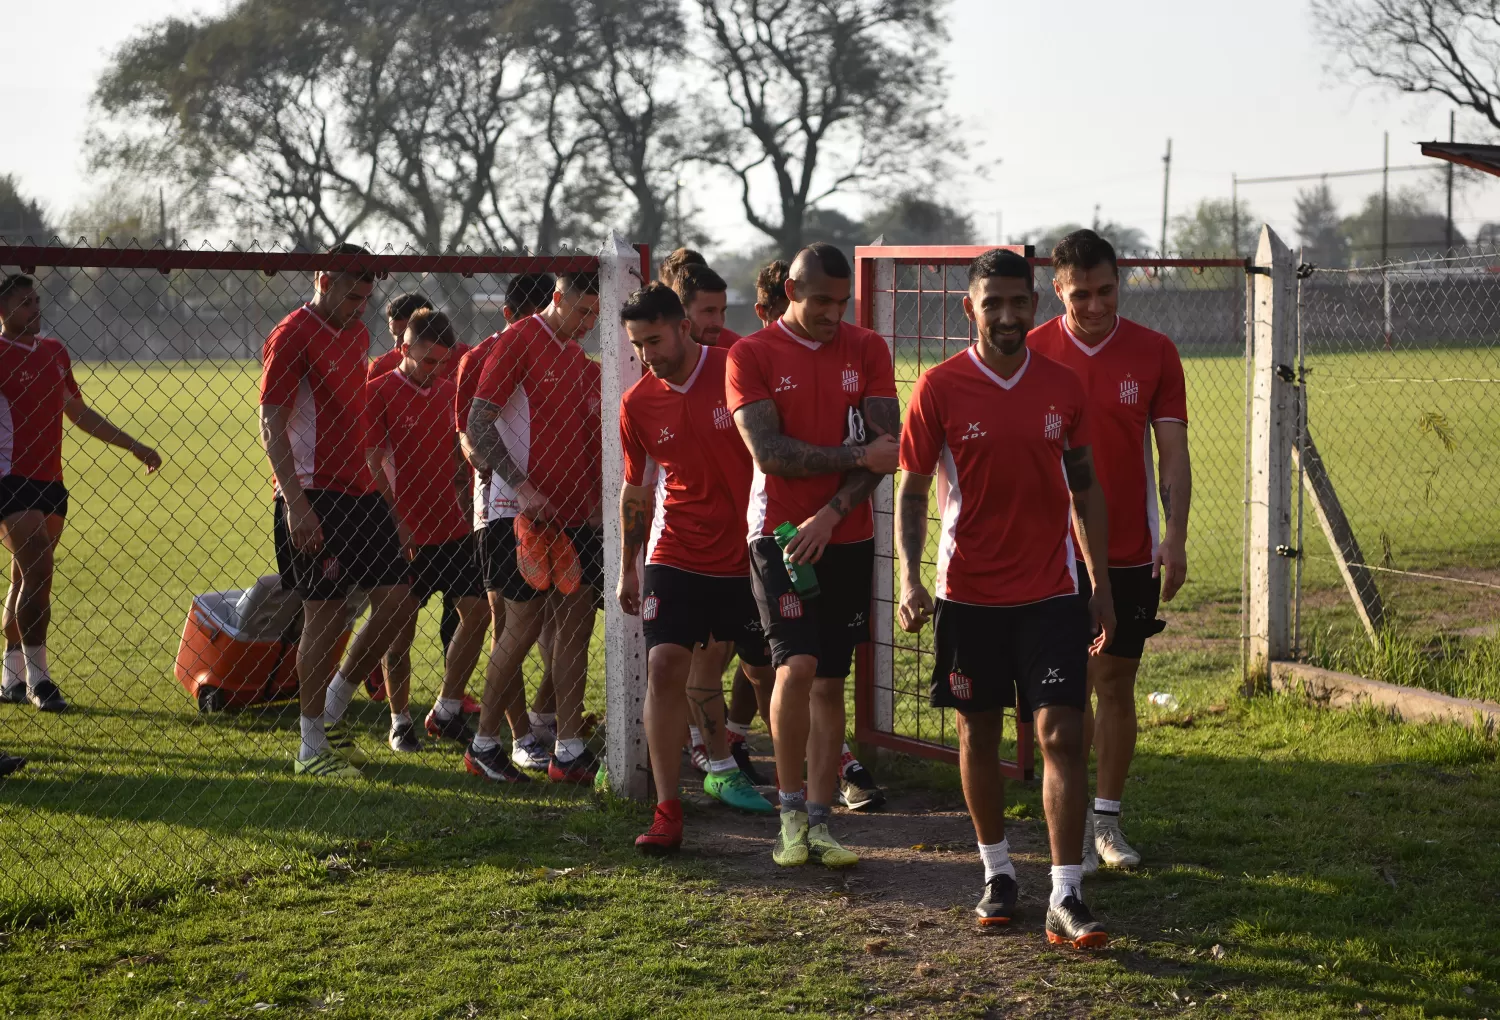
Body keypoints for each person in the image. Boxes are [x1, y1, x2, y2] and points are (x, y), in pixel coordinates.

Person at [896, 248, 1115, 948]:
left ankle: (1066, 891)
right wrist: (909, 575)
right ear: (971, 308)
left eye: (1020, 302)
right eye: (994, 303)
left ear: (1035, 303)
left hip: (1051, 592)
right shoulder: (939, 388)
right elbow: (909, 488)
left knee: (1061, 734)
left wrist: (1100, 584)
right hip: (969, 596)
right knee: (978, 736)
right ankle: (997, 873)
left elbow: (1083, 489)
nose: (1009, 315)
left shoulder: (1063, 386)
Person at [726, 242, 901, 869]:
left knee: (831, 680)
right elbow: (770, 454)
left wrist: (832, 512)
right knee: (794, 666)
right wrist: (854, 461)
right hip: (778, 537)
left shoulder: (869, 348)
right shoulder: (751, 354)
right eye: (821, 300)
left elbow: (886, 446)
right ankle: (789, 814)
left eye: (841, 301)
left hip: (847, 537)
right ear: (792, 292)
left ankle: (823, 824)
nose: (834, 312)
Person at [1028, 229, 1191, 873]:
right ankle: (1065, 821)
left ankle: (1106, 822)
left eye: (1105, 291)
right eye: (1080, 294)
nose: (1094, 306)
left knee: (1114, 681)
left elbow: (1171, 452)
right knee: (1063, 691)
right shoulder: (1032, 351)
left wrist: (1173, 535)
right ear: (1057, 290)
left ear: (1119, 283)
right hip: (1049, 553)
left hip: (1128, 549)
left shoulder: (1154, 352)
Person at [616, 284, 777, 853]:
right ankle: (667, 810)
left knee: (768, 675)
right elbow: (636, 489)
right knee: (664, 667)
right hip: (676, 550)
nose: (647, 354)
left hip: (747, 552)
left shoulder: (736, 367)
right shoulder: (636, 402)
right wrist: (629, 569)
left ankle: (803, 807)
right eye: (637, 344)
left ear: (683, 326)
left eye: (654, 339)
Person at [260, 244, 412, 778]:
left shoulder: (359, 333)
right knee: (322, 617)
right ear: (322, 278)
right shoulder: (291, 334)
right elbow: (271, 424)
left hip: (362, 491)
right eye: (351, 295)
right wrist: (296, 505)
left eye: (367, 298)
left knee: (398, 600)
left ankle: (334, 708)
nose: (359, 307)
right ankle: (310, 748)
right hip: (314, 494)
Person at [0, 273, 162, 714]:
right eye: (23, 303)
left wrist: (134, 444)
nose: (35, 309)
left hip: (51, 482)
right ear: (2, 311)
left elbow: (78, 412)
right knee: (40, 573)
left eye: (36, 300)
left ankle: (11, 675)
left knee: (23, 578)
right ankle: (40, 679)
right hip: (9, 481)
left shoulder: (54, 352)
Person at [465, 271, 602, 784]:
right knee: (520, 626)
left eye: (596, 314)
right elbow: (478, 422)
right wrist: (521, 487)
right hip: (515, 511)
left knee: (576, 623)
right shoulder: (519, 340)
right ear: (557, 298)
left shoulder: (573, 355)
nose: (588, 323)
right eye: (581, 311)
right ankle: (483, 744)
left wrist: (590, 503)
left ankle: (567, 748)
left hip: (570, 514)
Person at [364, 308, 490, 751]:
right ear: (403, 348)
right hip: (405, 536)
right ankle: (400, 720)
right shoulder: (378, 393)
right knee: (401, 634)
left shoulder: (450, 392)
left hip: (452, 530)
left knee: (478, 612)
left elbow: (460, 455)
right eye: (427, 361)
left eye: (442, 361)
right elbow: (374, 461)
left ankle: (447, 707)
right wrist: (396, 521)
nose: (435, 370)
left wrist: (462, 480)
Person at [450, 272, 559, 745]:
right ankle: (518, 738)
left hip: (551, 503)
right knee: (507, 620)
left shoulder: (564, 352)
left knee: (556, 615)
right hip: (497, 501)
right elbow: (469, 435)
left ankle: (543, 720)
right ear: (510, 315)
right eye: (529, 319)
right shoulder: (481, 356)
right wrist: (500, 472)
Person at [669, 263, 740, 349]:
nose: (719, 323)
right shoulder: (655, 356)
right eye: (709, 311)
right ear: (681, 311)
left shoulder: (736, 351)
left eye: (722, 311)